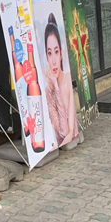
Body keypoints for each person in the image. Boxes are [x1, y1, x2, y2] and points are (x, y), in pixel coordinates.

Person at [43, 13, 78, 146]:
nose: (53, 61)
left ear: (61, 54)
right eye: (49, 53)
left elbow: (69, 133)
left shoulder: (67, 79)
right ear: (46, 56)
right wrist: (56, 89)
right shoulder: (48, 90)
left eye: (56, 52)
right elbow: (62, 132)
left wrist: (58, 88)